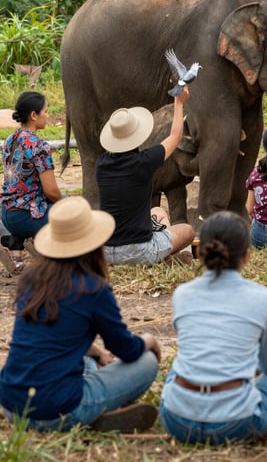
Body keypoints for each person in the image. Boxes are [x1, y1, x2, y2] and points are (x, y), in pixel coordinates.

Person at [0, 197, 161, 433]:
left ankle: (94, 412)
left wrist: (96, 352)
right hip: (58, 411)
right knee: (146, 361)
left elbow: (49, 338)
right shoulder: (93, 288)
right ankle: (87, 414)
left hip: (13, 406)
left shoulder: (31, 280)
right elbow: (127, 350)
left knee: (87, 359)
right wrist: (150, 341)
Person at [160, 211, 267, 444]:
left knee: (180, 366)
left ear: (201, 254)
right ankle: (255, 427)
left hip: (177, 420)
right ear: (246, 256)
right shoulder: (263, 298)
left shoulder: (181, 294)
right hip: (235, 422)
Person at [96, 87, 195, 265]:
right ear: (137, 135)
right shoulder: (144, 162)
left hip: (106, 251)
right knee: (187, 231)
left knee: (157, 211)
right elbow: (175, 136)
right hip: (139, 252)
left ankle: (163, 250)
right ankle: (167, 255)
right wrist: (179, 102)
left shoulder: (101, 164)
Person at [1, 91, 63, 274]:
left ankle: (19, 242)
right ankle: (51, 256)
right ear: (34, 115)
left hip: (7, 212)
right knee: (72, 211)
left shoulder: (10, 140)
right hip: (25, 216)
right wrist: (69, 206)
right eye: (46, 111)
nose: (48, 115)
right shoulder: (39, 146)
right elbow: (51, 191)